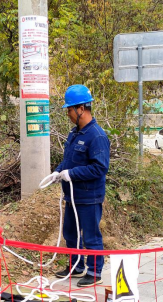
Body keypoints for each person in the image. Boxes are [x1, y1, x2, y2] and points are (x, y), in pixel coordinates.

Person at [51, 85, 110, 287]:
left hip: (89, 197)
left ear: (81, 109)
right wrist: (58, 171)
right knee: (71, 233)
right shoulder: (75, 133)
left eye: (69, 110)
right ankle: (76, 266)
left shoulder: (97, 136)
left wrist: (72, 174)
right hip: (72, 195)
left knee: (91, 236)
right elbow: (68, 160)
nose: (68, 114)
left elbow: (100, 168)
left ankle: (94, 272)